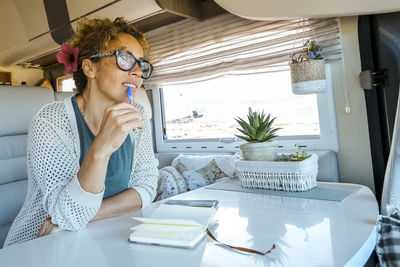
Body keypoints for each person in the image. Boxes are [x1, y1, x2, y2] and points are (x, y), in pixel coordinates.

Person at [4, 17, 158, 246]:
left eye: (141, 64)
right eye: (125, 58)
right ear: (89, 67)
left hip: (102, 237)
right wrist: (102, 147)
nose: (137, 71)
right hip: (38, 244)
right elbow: (64, 211)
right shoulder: (50, 121)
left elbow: (146, 190)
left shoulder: (138, 115)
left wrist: (83, 216)